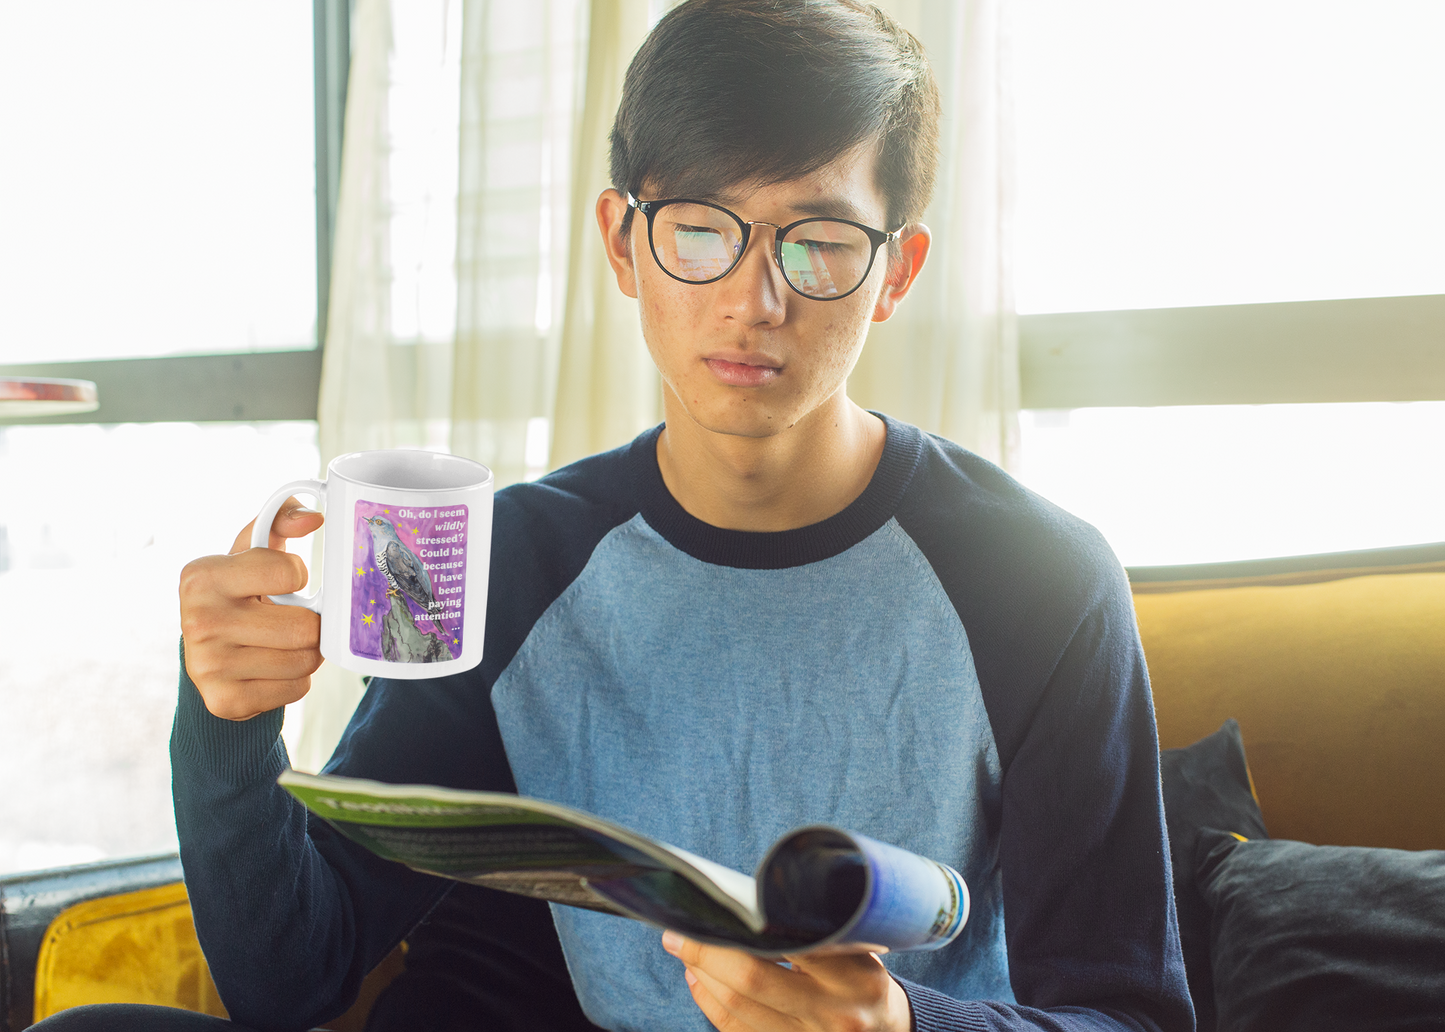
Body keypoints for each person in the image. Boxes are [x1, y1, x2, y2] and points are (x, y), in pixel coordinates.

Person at [36, 2, 1192, 1030]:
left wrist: (903, 1025)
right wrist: (227, 721)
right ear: (621, 244)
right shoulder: (521, 563)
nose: (754, 297)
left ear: (895, 272)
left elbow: (1127, 1012)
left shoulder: (1039, 578)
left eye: (819, 241)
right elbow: (293, 978)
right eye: (700, 227)